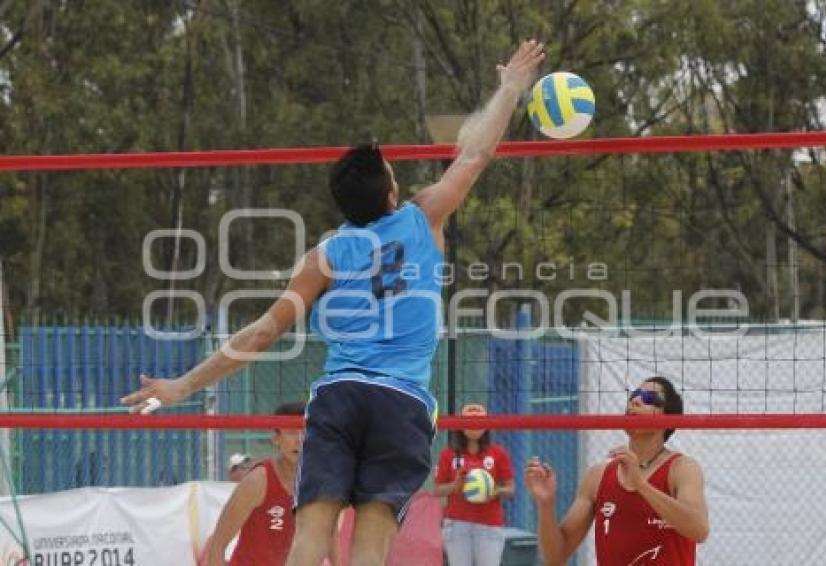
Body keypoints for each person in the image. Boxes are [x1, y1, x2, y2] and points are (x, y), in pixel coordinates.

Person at [121, 39, 545, 566]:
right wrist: (508, 89)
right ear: (390, 193)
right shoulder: (421, 215)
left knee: (312, 535)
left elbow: (260, 334)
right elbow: (476, 154)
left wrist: (183, 384)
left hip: (341, 395)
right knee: (370, 542)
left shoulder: (323, 255)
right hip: (401, 401)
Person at [524, 376, 710, 566]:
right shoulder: (598, 476)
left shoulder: (682, 469)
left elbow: (699, 529)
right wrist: (546, 504)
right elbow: (556, 557)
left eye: (649, 399)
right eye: (634, 396)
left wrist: (641, 486)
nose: (635, 401)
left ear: (668, 420)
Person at [204, 402, 305, 566]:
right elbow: (218, 545)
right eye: (292, 432)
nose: (299, 440)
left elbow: (331, 539)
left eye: (305, 432)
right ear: (276, 438)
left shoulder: (320, 482)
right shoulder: (257, 481)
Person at [434, 403, 515, 566]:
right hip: (457, 525)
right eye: (469, 419)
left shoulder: (498, 453)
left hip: (489, 524)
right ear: (460, 425)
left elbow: (510, 489)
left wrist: (494, 491)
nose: (474, 425)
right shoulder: (448, 454)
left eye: (478, 420)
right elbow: (437, 490)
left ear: (487, 425)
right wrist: (455, 486)